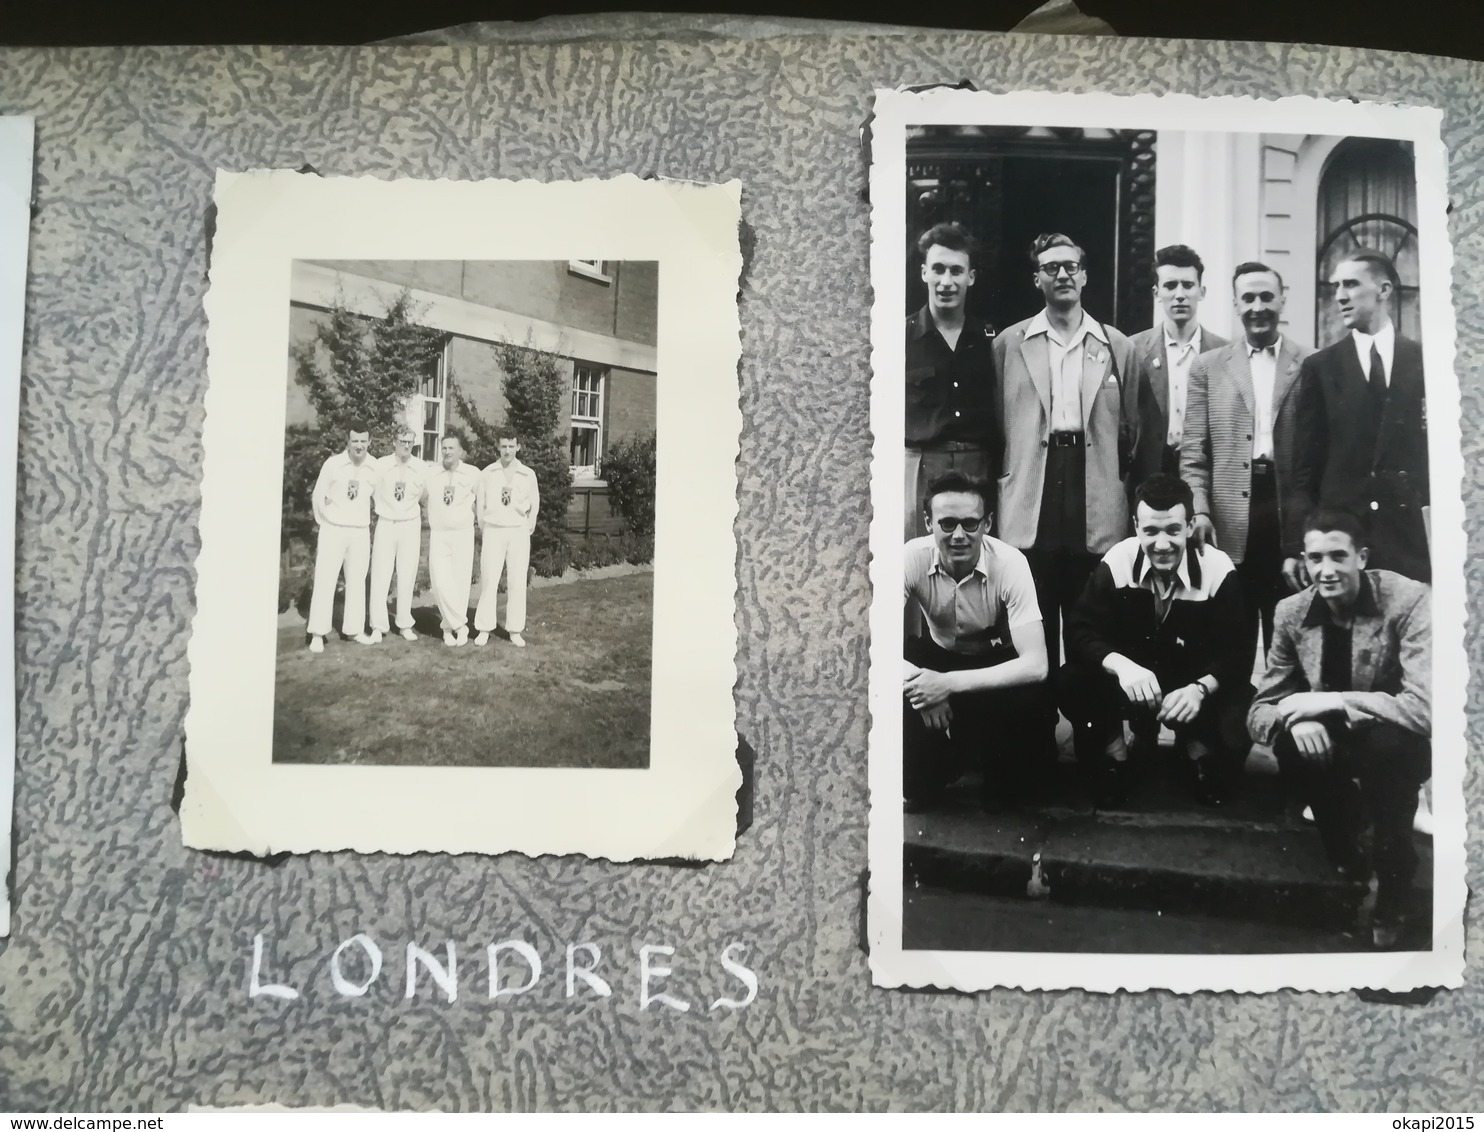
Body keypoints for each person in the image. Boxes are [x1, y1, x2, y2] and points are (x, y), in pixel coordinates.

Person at [992, 232, 1158, 758]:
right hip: (1033, 498)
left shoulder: (1118, 346)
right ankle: (1032, 745)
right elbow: (999, 427)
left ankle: (1098, 739)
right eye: (1050, 267)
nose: (1061, 275)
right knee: (1032, 623)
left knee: (1093, 625)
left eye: (1070, 266)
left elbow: (1135, 429)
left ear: (1085, 275)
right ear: (1036, 278)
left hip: (1095, 496)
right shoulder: (1010, 344)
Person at [1248, 508, 1431, 948]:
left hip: (1393, 740)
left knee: (1391, 760)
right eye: (1315, 559)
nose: (1325, 571)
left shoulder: (1407, 600)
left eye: (1338, 556)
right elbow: (1261, 709)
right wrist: (1294, 718)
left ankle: (1393, 883)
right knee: (1292, 746)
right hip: (1332, 741)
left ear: (1361, 557)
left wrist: (1329, 700)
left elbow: (1425, 709)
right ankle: (1348, 852)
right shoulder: (1292, 612)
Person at [1062, 474, 1252, 807]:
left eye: (1173, 530)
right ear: (1135, 526)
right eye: (1150, 531)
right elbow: (1078, 630)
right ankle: (1114, 754)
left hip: (1188, 686)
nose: (1162, 544)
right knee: (1071, 680)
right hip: (1135, 682)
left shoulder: (1218, 568)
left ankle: (1197, 750)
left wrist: (1200, 688)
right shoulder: (1118, 560)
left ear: (1191, 526)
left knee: (1242, 707)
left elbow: (1238, 650)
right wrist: (1122, 667)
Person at [1180, 262, 1313, 663]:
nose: (1258, 307)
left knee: (1286, 637)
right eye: (1249, 298)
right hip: (1229, 520)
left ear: (1282, 299)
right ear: (1236, 303)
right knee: (1229, 640)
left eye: (1266, 296)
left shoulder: (1311, 364)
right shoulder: (1208, 366)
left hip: (1285, 513)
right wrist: (1200, 511)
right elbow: (1193, 454)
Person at [903, 471, 1049, 810]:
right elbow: (870, 641)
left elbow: (1036, 664)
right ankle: (942, 760)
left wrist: (946, 685)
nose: (959, 535)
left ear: (987, 524)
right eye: (947, 523)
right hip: (936, 658)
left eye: (970, 524)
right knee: (917, 792)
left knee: (1009, 797)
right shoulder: (911, 557)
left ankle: (972, 752)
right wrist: (921, 685)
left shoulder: (1011, 562)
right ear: (928, 522)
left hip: (990, 662)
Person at [1295, 252, 1430, 583]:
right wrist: (1295, 544)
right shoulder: (1320, 367)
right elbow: (1305, 467)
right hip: (1343, 542)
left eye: (1351, 284)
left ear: (1383, 290)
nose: (1339, 295)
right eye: (1336, 286)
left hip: (1408, 539)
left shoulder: (1424, 361)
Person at [905, 222, 999, 541]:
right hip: (921, 467)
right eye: (939, 269)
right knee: (918, 558)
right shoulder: (900, 339)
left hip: (977, 468)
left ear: (970, 277)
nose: (947, 281)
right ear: (924, 273)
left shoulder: (990, 341)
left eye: (956, 271)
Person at [1128, 244, 1228, 475]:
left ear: (1201, 292)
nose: (1180, 295)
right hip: (1151, 471)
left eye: (1188, 285)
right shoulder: (1133, 349)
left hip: (1206, 470)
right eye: (1170, 285)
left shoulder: (1224, 352)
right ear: (1156, 293)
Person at [306, 421, 380, 654]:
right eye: (355, 441)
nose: (359, 446)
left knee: (357, 581)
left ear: (369, 442)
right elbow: (318, 496)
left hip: (359, 531)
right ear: (348, 442)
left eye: (363, 441)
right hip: (334, 529)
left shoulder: (374, 467)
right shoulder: (333, 464)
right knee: (326, 579)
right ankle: (318, 633)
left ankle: (354, 629)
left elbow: (381, 498)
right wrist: (327, 521)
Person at [474, 433, 540, 648]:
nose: (507, 450)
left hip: (518, 532)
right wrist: (485, 526)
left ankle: (515, 630)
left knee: (517, 581)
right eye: (504, 446)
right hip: (494, 530)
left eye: (511, 446)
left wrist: (530, 522)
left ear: (518, 447)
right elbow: (480, 503)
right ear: (498, 447)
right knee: (489, 581)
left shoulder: (527, 474)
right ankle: (484, 628)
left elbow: (535, 501)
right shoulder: (488, 473)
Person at [367, 428, 427, 643]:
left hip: (410, 524)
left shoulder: (420, 467)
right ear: (394, 442)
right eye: (402, 441)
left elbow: (424, 494)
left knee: (407, 574)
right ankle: (378, 626)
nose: (406, 445)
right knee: (381, 574)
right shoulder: (381, 465)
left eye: (410, 442)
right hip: (387, 523)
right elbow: (371, 490)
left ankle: (404, 624)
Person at [425, 436, 481, 647]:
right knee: (440, 582)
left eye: (452, 448)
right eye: (444, 448)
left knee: (459, 584)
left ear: (460, 452)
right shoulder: (431, 473)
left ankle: (448, 629)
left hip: (462, 533)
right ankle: (461, 626)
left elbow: (483, 498)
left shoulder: (472, 474)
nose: (447, 451)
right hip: (439, 533)